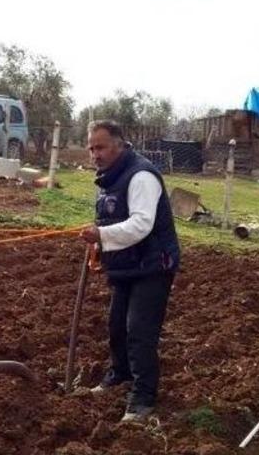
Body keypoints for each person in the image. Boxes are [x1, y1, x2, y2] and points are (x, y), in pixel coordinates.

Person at [80, 120, 180, 422]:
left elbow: (141, 224)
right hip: (127, 263)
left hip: (153, 265)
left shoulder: (141, 176)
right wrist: (100, 248)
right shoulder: (110, 177)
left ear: (119, 145)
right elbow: (112, 218)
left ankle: (143, 398)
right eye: (91, 148)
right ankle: (120, 376)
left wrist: (101, 236)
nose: (95, 154)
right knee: (116, 328)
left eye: (101, 147)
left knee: (139, 332)